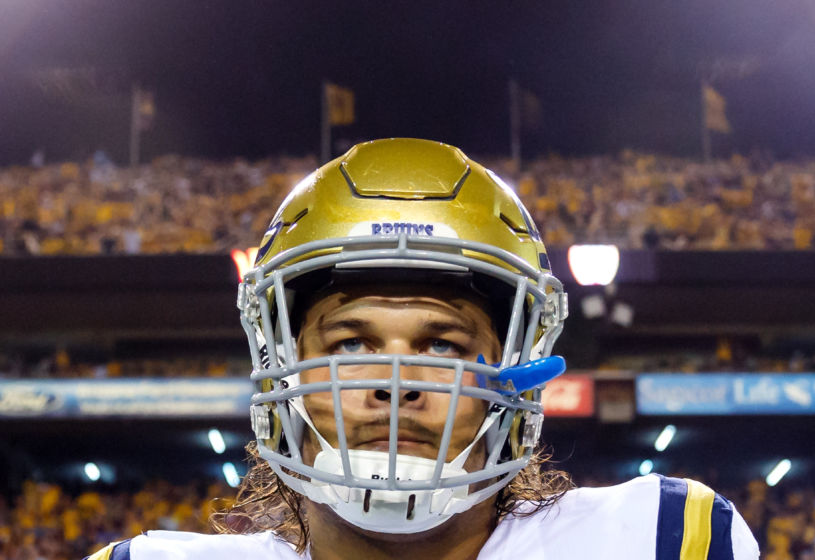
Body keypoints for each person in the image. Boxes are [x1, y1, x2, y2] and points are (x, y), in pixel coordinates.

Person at [86, 138, 759, 559]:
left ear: (513, 377)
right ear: (279, 365)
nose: (397, 381)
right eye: (352, 344)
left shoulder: (662, 539)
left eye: (443, 346)